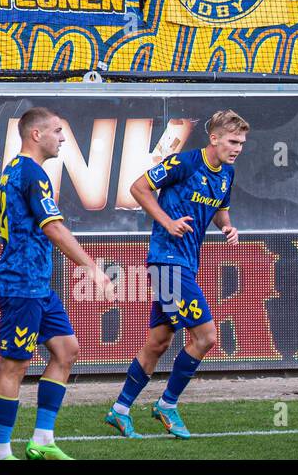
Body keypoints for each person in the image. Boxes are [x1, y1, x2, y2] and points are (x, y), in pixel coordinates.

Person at [105, 110, 249, 439]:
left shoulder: (227, 173)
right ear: (214, 138)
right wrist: (167, 222)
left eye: (241, 142)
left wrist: (227, 226)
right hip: (167, 261)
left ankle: (120, 410)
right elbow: (138, 187)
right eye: (232, 141)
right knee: (207, 336)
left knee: (158, 341)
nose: (238, 147)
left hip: (184, 263)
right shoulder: (183, 163)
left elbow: (220, 209)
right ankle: (168, 404)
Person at [0, 108, 115, 460]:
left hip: (38, 284)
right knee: (14, 365)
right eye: (57, 131)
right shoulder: (31, 172)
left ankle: (42, 440)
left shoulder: (16, 168)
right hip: (21, 283)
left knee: (66, 350)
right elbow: (53, 226)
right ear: (36, 135)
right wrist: (90, 266)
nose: (62, 138)